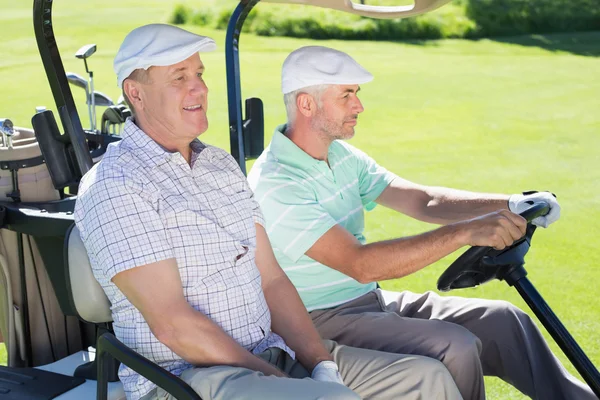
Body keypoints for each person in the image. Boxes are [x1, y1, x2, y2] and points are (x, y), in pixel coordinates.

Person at [74, 25, 463, 400]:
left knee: (427, 379)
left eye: (199, 73)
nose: (200, 87)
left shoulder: (220, 166)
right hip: (188, 378)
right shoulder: (116, 185)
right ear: (135, 93)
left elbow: (272, 280)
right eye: (179, 78)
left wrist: (320, 364)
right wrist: (284, 380)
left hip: (273, 353)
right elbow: (174, 325)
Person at [247, 45, 596, 400]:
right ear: (307, 104)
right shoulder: (277, 183)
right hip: (317, 319)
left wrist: (510, 202)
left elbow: (422, 200)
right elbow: (361, 265)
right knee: (454, 345)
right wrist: (464, 232)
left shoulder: (340, 156)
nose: (359, 106)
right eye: (347, 95)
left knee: (503, 320)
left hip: (371, 301)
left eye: (357, 94)